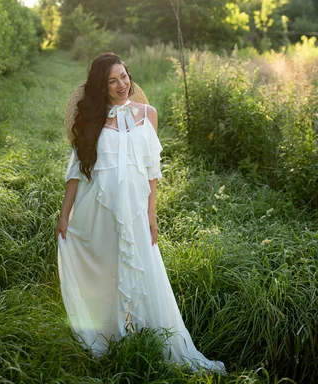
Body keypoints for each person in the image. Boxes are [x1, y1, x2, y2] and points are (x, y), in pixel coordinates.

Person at [55, 52, 225, 373]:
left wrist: (151, 214)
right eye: (112, 81)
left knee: (140, 267)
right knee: (109, 268)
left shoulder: (148, 115)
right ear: (101, 87)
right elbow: (75, 172)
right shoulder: (91, 121)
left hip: (135, 209)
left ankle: (143, 332)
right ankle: (113, 333)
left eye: (124, 77)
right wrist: (65, 215)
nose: (121, 85)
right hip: (99, 209)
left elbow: (152, 171)